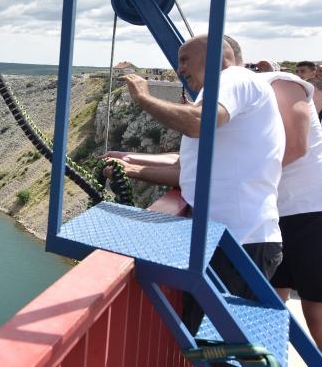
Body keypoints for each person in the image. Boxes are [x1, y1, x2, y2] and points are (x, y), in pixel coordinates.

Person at [103, 35, 285, 333]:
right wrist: (131, 168)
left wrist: (144, 98)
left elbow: (198, 123)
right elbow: (191, 172)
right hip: (233, 239)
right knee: (213, 347)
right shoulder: (224, 90)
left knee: (224, 351)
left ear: (214, 56)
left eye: (185, 59)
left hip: (239, 241)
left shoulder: (234, 79)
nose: (180, 69)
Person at [258, 70, 322, 367]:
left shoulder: (278, 82)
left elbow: (296, 147)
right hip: (276, 219)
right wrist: (135, 165)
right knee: (266, 320)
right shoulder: (233, 101)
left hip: (319, 215)